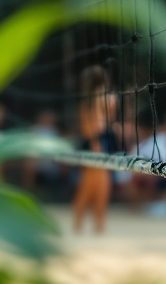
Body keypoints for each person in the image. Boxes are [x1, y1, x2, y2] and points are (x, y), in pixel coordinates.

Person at [72, 66, 116, 234]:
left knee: (94, 186)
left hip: (93, 141)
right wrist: (95, 142)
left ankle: (89, 225)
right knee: (96, 186)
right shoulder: (99, 97)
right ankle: (94, 225)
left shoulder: (89, 99)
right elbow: (98, 122)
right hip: (96, 142)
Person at [21, 109, 63, 194]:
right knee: (29, 162)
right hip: (36, 160)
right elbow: (28, 147)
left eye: (49, 117)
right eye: (45, 116)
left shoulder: (55, 132)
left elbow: (60, 150)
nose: (47, 119)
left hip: (50, 162)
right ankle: (28, 191)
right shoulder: (34, 130)